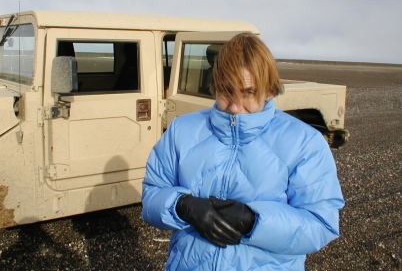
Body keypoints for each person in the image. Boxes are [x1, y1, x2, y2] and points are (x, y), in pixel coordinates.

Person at [142, 33, 344, 271]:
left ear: (269, 90)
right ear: (214, 86)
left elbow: (321, 224)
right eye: (227, 91)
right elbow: (151, 197)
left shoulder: (304, 142)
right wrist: (182, 205)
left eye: (248, 92)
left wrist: (254, 221)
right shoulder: (182, 130)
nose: (235, 107)